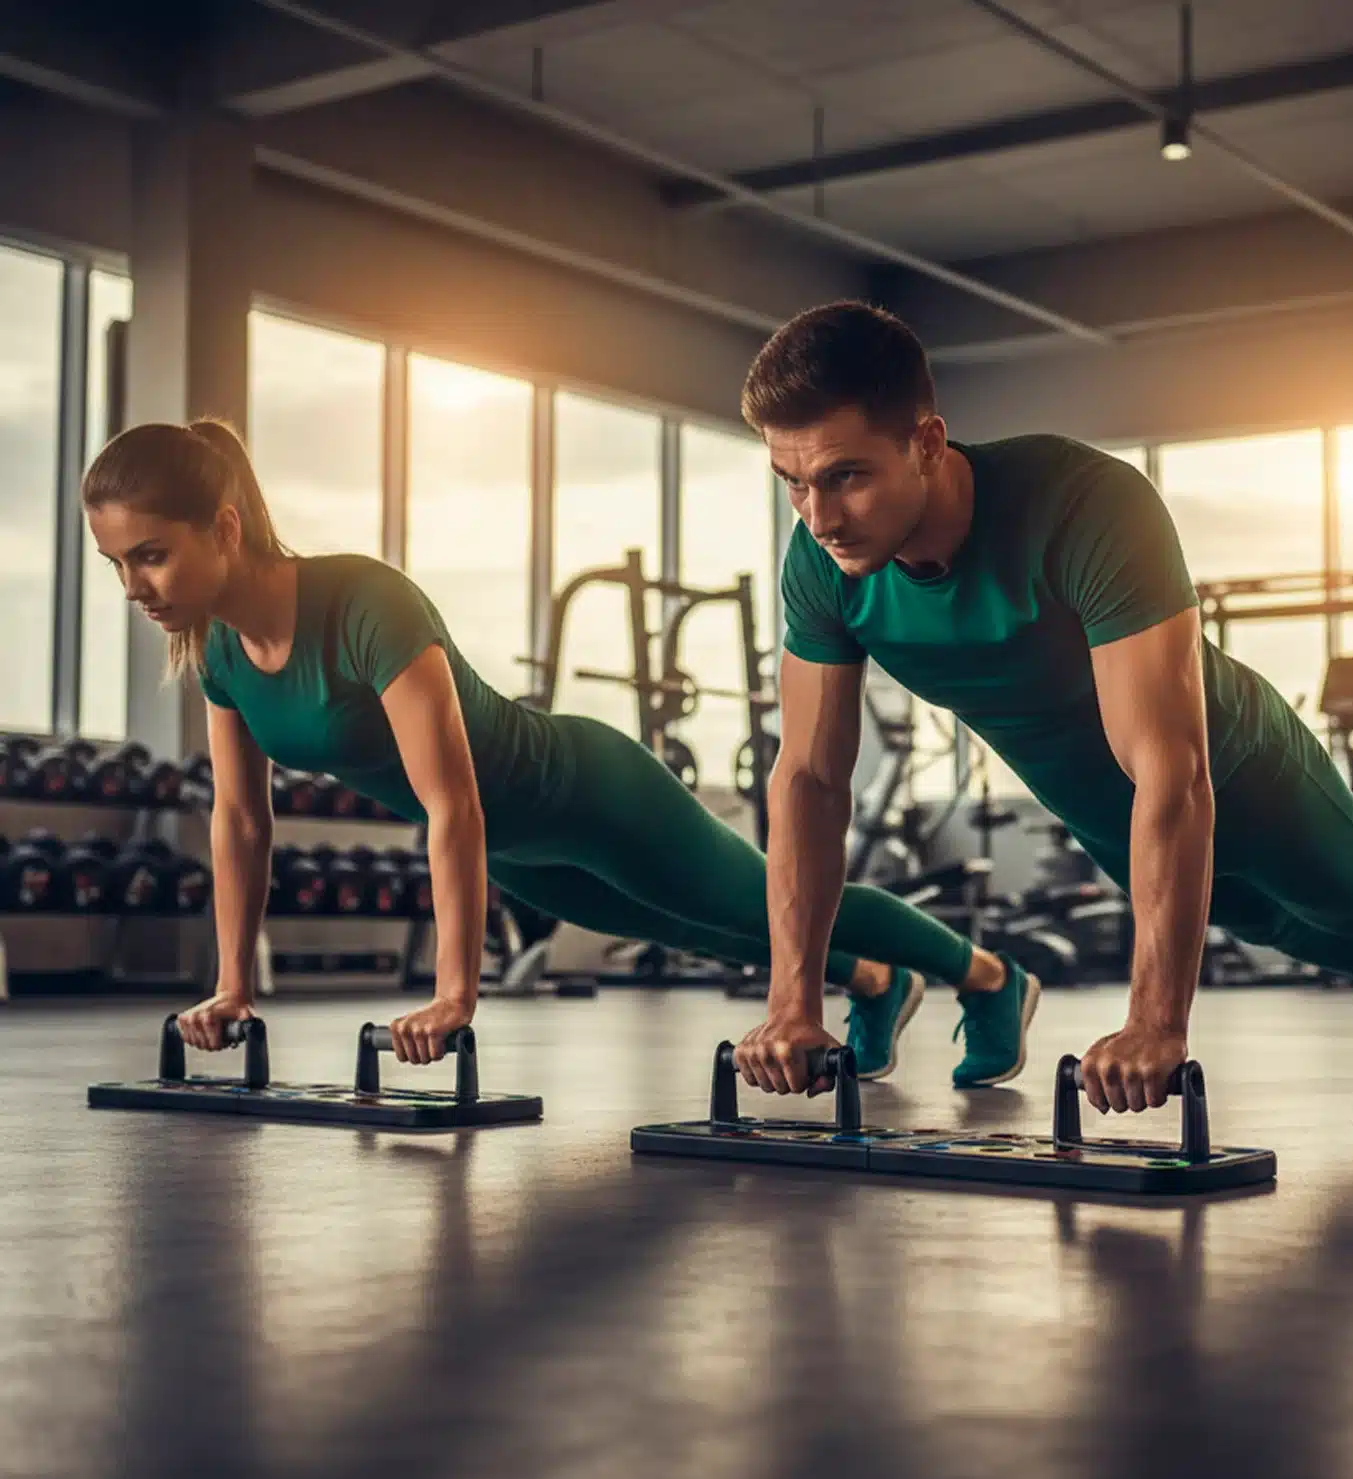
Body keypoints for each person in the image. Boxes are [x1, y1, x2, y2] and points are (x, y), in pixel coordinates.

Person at [81, 418, 1036, 1080]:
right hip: (522, 851)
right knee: (705, 933)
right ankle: (875, 980)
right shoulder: (217, 653)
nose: (133, 586)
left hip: (589, 791)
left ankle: (992, 980)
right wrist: (233, 988)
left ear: (225, 528)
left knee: (766, 901)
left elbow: (451, 803)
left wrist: (455, 995)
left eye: (151, 555)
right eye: (117, 563)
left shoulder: (363, 602)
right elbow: (241, 822)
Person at [731, 300, 1353, 1117]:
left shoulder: (1084, 503)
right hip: (1099, 806)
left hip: (1237, 765)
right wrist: (792, 1004)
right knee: (1267, 925)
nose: (819, 517)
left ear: (926, 442)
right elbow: (809, 778)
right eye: (793, 484)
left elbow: (1171, 766)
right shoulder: (820, 567)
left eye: (846, 477)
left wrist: (1155, 1023)